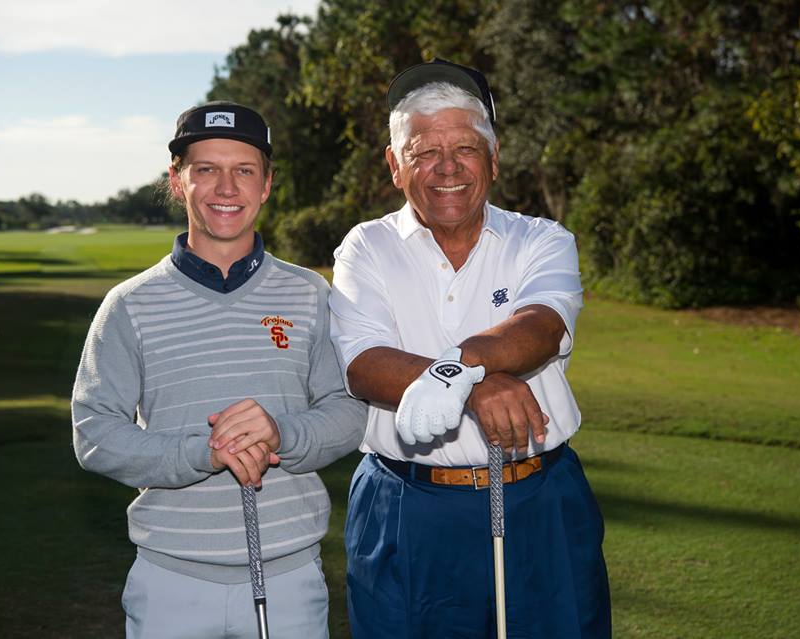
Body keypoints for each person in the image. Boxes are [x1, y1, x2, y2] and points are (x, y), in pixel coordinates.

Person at [328, 59, 612, 638]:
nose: (447, 168)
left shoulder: (542, 239)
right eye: (424, 151)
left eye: (465, 148)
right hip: (407, 505)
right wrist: (479, 387)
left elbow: (539, 327)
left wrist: (461, 375)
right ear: (394, 166)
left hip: (539, 498)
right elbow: (362, 364)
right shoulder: (367, 247)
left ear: (495, 157)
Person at [72, 101, 367, 639]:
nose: (226, 188)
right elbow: (95, 434)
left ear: (267, 184)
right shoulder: (129, 304)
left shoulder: (309, 294)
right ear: (178, 180)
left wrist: (282, 432)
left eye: (244, 170)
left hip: (289, 579)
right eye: (206, 169)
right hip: (169, 581)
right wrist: (202, 453)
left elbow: (349, 412)